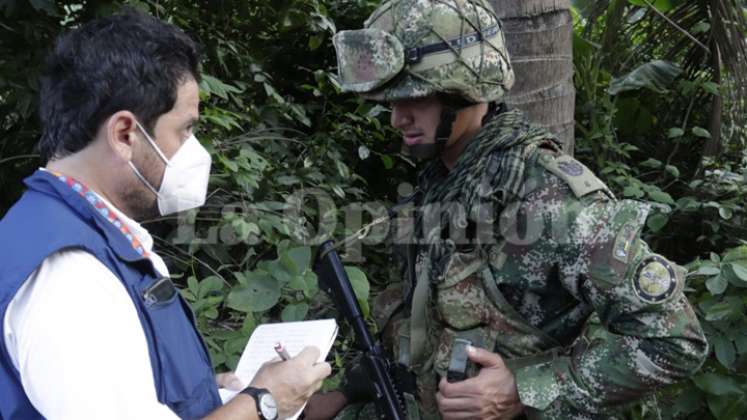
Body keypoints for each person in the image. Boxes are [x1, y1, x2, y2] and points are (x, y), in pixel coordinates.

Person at [304, 0, 708, 419]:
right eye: (390, 102)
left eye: (414, 99)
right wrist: (344, 394)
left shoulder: (554, 199)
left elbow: (675, 342)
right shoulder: (442, 183)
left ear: (466, 90)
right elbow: (425, 325)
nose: (397, 119)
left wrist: (522, 389)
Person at [0, 10, 330, 420]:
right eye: (186, 129)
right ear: (125, 134)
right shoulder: (71, 276)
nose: (195, 150)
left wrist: (220, 395)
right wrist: (264, 403)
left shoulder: (75, 232)